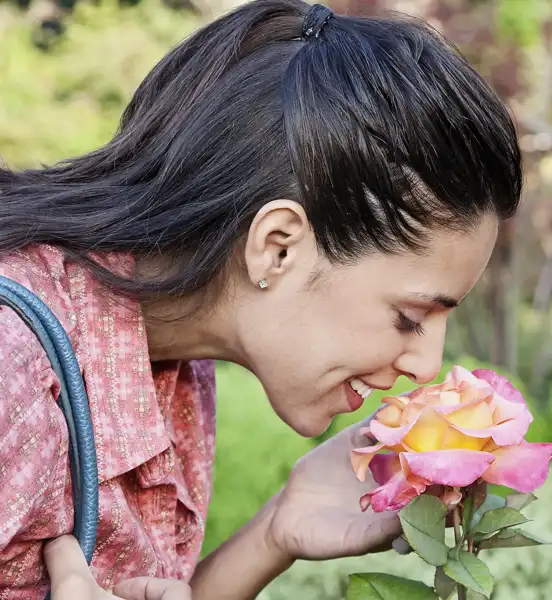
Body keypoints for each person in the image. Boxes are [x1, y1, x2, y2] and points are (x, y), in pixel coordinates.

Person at [0, 0, 522, 598]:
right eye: (408, 317)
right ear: (276, 247)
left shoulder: (178, 367)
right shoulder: (12, 372)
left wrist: (276, 530)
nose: (425, 366)